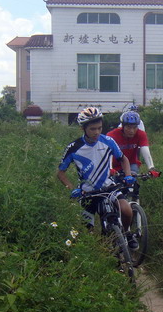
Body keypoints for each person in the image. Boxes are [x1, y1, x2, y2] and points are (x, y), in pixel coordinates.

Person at [56, 106, 139, 250]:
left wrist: (128, 175)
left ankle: (127, 234)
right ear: (83, 129)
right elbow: (60, 173)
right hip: (87, 193)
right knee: (86, 231)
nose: (97, 132)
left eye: (100, 128)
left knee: (127, 210)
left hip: (109, 187)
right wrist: (72, 189)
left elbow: (123, 159)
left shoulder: (108, 141)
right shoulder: (73, 148)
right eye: (92, 129)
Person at [106, 110, 160, 176]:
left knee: (132, 179)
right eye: (128, 127)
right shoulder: (112, 135)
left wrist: (151, 168)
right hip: (114, 165)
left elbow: (145, 150)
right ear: (123, 126)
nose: (132, 131)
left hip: (131, 164)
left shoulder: (140, 134)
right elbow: (108, 153)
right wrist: (110, 168)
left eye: (134, 127)